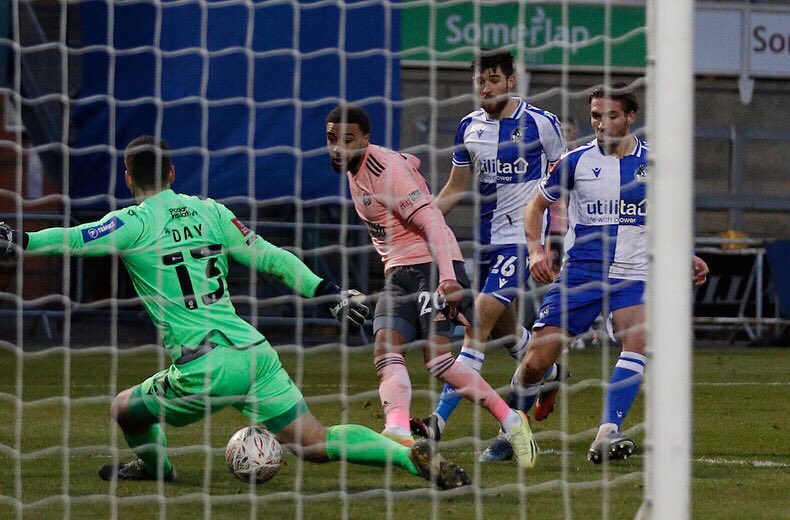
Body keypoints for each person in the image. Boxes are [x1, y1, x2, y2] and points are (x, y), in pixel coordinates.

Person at [0, 135, 472, 490]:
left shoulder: (131, 224)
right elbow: (270, 255)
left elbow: (74, 239)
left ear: (128, 179)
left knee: (124, 408)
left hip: (203, 366)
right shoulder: (212, 212)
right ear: (172, 172)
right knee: (312, 439)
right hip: (252, 353)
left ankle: (156, 467)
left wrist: (20, 241)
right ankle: (408, 456)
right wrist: (327, 290)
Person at [325, 105, 538, 469]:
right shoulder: (359, 168)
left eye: (348, 140)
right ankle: (398, 433)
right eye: (332, 140)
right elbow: (410, 162)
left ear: (365, 139)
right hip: (398, 270)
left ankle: (512, 420)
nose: (338, 149)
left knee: (438, 361)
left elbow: (434, 224)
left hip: (432, 263)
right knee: (385, 350)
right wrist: (409, 162)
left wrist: (448, 278)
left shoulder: (386, 173)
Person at [515, 83, 709, 463]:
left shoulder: (654, 164)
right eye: (595, 116)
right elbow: (534, 207)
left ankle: (607, 432)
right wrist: (536, 250)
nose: (602, 123)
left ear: (631, 117)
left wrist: (687, 253)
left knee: (638, 342)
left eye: (612, 115)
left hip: (634, 273)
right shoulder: (575, 161)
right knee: (537, 359)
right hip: (582, 274)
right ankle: (512, 423)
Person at [410, 49, 568, 462]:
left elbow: (562, 188)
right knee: (506, 334)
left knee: (476, 325)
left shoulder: (542, 123)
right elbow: (455, 186)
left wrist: (553, 241)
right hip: (487, 244)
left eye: (494, 79)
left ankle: (437, 423)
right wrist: (418, 221)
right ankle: (549, 371)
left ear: (511, 82)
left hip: (522, 242)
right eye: (481, 80)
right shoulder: (468, 127)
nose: (486, 87)